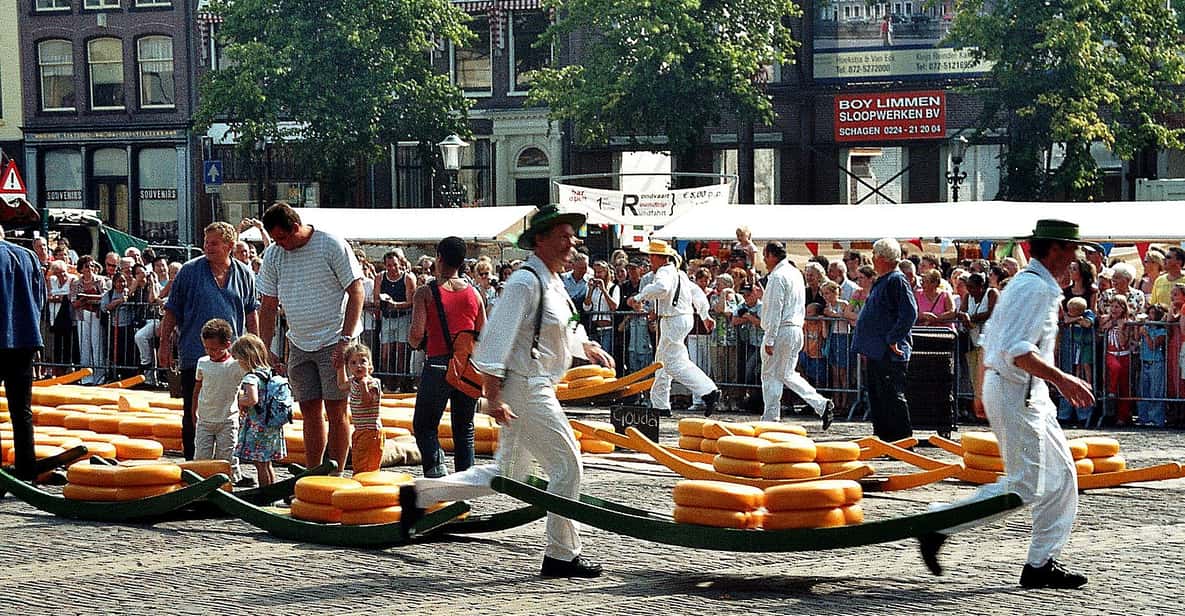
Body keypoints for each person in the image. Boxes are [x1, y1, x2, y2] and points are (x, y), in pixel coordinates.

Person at [400, 205, 614, 579]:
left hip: (535, 385)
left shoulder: (554, 282)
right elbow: (495, 341)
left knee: (508, 475)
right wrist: (494, 395)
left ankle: (420, 494)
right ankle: (562, 555)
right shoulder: (523, 283)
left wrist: (586, 346)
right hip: (526, 387)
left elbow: (569, 323)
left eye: (572, 236)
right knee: (567, 464)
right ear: (542, 240)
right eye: (564, 236)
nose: (572, 243)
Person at [919, 219, 1097, 590]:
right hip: (1020, 392)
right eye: (1070, 249)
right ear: (1053, 250)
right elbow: (1017, 352)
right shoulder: (1033, 289)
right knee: (1024, 484)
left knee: (1062, 478)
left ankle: (1040, 563)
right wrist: (1063, 380)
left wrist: (988, 386)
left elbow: (993, 341)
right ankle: (938, 523)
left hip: (1026, 393)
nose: (1075, 257)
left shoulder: (1034, 286)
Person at [257, 203, 364, 474]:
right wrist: (264, 346)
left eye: (282, 238)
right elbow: (268, 305)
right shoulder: (273, 255)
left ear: (295, 227)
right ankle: (314, 471)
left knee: (337, 409)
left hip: (334, 339)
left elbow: (356, 291)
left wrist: (346, 339)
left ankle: (337, 472)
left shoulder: (330, 244)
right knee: (308, 409)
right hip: (299, 342)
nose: (279, 244)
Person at [159, 222, 259, 460]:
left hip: (232, 359)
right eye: (206, 242)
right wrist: (164, 345)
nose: (207, 247)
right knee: (193, 410)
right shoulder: (189, 271)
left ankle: (228, 464)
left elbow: (251, 312)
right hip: (195, 355)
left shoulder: (244, 273)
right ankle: (194, 463)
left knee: (231, 412)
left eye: (213, 243)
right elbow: (172, 310)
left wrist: (256, 348)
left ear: (229, 246)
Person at [408, 236, 485, 478]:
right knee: (465, 429)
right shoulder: (475, 294)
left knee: (425, 426)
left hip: (438, 365)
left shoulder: (425, 293)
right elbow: (483, 333)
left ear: (438, 258)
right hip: (466, 368)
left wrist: (421, 342)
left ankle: (436, 472)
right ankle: (467, 482)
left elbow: (415, 335)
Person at [628, 239, 721, 416]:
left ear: (658, 257)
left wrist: (639, 297)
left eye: (651, 256)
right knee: (662, 362)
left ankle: (708, 391)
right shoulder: (680, 274)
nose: (649, 261)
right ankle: (660, 405)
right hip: (682, 318)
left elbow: (662, 288)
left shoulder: (664, 272)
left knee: (672, 364)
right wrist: (705, 315)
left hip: (673, 319)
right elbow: (697, 294)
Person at [758, 241, 835, 428]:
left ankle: (771, 417)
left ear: (771, 255)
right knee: (787, 374)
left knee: (770, 374)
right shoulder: (795, 273)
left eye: (765, 256)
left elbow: (775, 308)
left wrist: (769, 337)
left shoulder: (777, 276)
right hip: (795, 328)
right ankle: (821, 404)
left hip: (781, 329)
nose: (764, 260)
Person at [852, 238, 918, 441]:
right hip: (876, 351)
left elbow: (909, 313)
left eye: (874, 254)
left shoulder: (896, 280)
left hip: (889, 352)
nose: (872, 258)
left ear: (882, 258)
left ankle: (902, 441)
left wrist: (893, 338)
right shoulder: (884, 280)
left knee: (891, 397)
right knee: (878, 397)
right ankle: (884, 440)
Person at [1, 227, 45, 481]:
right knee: (22, 410)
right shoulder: (28, 257)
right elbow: (40, 298)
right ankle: (27, 468)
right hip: (25, 340)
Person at [192, 319, 250, 487]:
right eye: (207, 348)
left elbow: (248, 382)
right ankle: (199, 487)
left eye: (215, 349)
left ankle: (230, 485)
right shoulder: (202, 363)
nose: (210, 352)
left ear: (227, 345)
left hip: (228, 419)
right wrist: (192, 411)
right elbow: (197, 388)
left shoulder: (236, 365)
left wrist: (244, 403)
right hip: (205, 419)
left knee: (228, 457)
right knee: (201, 457)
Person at [232, 334, 288, 487]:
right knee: (267, 464)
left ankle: (264, 492)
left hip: (258, 428)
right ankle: (272, 490)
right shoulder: (269, 372)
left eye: (237, 358)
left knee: (259, 464)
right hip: (271, 425)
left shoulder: (251, 377)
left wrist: (237, 400)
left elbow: (252, 399)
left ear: (245, 357)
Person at [336, 342, 384, 474]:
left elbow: (367, 402)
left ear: (370, 366)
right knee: (358, 462)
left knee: (367, 465)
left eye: (363, 361)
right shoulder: (353, 381)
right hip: (359, 430)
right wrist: (340, 368)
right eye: (353, 363)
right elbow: (341, 385)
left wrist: (363, 385)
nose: (358, 366)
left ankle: (367, 487)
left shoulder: (372, 383)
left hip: (371, 431)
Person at [376, 250, 416, 381]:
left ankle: (400, 383)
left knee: (401, 354)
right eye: (389, 265)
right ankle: (387, 383)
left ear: (400, 263)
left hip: (403, 319)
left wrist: (395, 305)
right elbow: (376, 299)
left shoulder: (408, 278)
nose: (392, 268)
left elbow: (411, 301)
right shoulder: (380, 277)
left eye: (395, 265)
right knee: (385, 354)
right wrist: (382, 303)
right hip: (387, 319)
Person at [70, 255, 107, 385]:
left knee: (97, 345)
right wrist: (84, 299)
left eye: (92, 265)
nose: (90, 268)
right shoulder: (76, 283)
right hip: (82, 315)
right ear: (81, 269)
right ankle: (86, 377)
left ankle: (99, 376)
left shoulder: (100, 281)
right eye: (87, 266)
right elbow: (74, 302)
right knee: (84, 346)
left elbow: (104, 297)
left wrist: (89, 297)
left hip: (96, 314)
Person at [1138, 304, 1168, 427]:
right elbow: (1136, 338)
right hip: (1144, 362)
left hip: (1156, 363)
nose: (1150, 316)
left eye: (1153, 314)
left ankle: (1156, 419)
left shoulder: (1162, 331)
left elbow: (1153, 345)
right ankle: (1143, 418)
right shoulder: (1146, 327)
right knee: (1143, 391)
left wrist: (1146, 335)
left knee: (1156, 391)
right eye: (1149, 313)